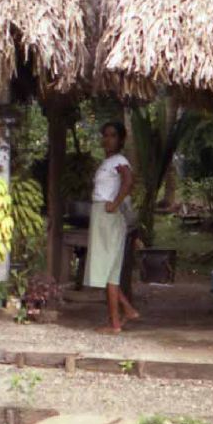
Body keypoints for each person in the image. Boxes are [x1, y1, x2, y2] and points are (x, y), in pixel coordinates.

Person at [85, 121, 141, 334]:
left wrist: (115, 203)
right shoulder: (108, 162)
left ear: (121, 140)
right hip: (104, 214)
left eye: (112, 135)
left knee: (104, 268)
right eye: (105, 135)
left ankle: (122, 314)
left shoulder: (119, 160)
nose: (107, 139)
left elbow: (128, 181)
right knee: (110, 272)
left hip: (107, 215)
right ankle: (119, 319)